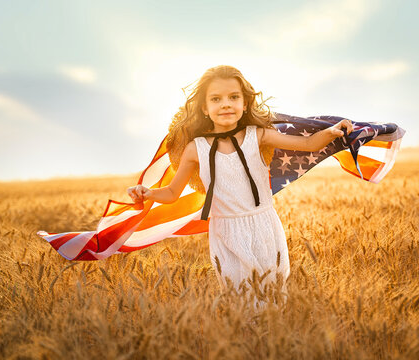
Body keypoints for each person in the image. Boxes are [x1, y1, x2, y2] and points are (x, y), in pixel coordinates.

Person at [127, 65, 352, 299]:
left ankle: (270, 333)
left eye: (234, 97)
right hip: (226, 231)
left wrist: (331, 131)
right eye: (216, 99)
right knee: (239, 296)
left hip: (264, 226)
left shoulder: (259, 135)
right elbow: (172, 193)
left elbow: (308, 145)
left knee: (272, 294)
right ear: (204, 108)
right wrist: (148, 193)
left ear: (244, 104)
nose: (226, 104)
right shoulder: (196, 149)